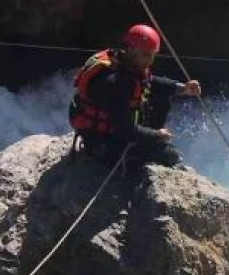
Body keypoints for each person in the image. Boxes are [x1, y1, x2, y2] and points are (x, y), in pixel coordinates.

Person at [68, 24, 201, 172]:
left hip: (116, 131)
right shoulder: (113, 82)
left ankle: (148, 144)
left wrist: (183, 88)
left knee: (163, 96)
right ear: (131, 50)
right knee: (169, 156)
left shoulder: (124, 63)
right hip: (102, 142)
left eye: (152, 55)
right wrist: (156, 135)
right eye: (146, 55)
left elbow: (150, 82)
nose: (150, 61)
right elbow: (123, 129)